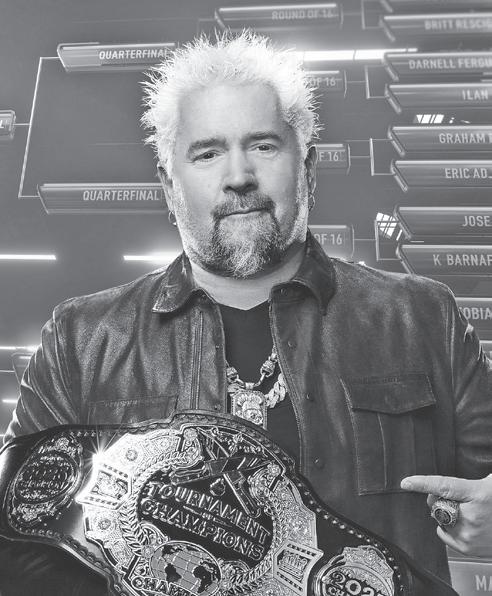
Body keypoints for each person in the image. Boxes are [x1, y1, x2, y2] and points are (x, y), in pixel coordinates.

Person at [3, 32, 492, 591]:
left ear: (307, 167)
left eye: (263, 145)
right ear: (168, 186)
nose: (238, 176)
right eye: (207, 153)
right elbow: (14, 543)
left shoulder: (423, 315)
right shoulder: (81, 339)